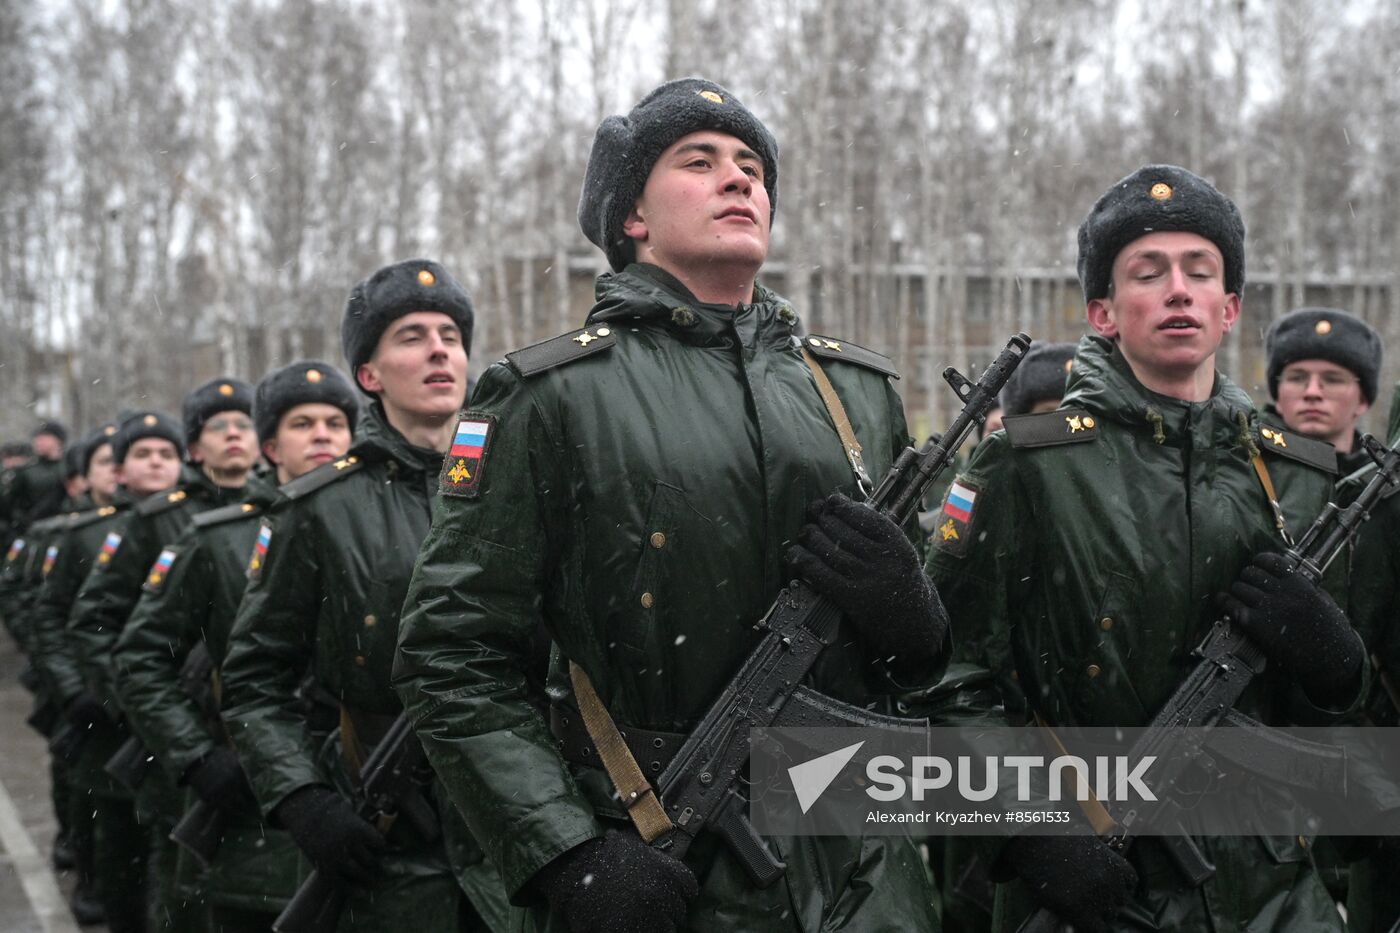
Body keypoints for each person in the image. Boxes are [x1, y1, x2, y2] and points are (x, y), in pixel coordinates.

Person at [393, 77, 946, 933]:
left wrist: (916, 623)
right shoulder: (549, 395)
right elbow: (452, 652)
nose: (740, 181)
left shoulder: (852, 390)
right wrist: (563, 852)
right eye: (700, 162)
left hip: (864, 870)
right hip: (652, 856)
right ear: (632, 217)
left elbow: (945, 659)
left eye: (753, 167)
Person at [926, 165, 1358, 932]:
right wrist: (1033, 829)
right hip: (1093, 881)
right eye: (1147, 272)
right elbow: (949, 677)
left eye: (1201, 271)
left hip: (1273, 890)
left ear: (1229, 309)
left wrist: (1332, 671)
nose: (1178, 290)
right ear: (1103, 312)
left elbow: (1331, 730)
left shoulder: (1293, 474)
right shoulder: (1028, 462)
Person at [220, 261, 512, 932]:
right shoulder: (318, 509)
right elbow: (256, 678)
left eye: (451, 334)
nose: (440, 348)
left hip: (515, 850)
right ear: (370, 376)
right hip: (392, 855)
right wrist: (302, 797)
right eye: (412, 335)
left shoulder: (514, 482)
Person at [115, 362, 360, 931]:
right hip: (254, 781)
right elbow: (139, 659)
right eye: (303, 423)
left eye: (334, 422)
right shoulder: (216, 539)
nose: (322, 434)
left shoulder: (380, 521)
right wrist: (197, 755)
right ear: (270, 446)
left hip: (361, 781)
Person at [70, 382, 261, 933]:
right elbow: (97, 623)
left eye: (243, 425)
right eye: (217, 427)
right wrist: (138, 706)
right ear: (196, 448)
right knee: (179, 877)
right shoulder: (156, 521)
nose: (233, 436)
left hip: (245, 725)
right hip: (178, 722)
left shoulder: (276, 506)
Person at [30, 412, 185, 932]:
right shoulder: (90, 536)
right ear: (119, 470)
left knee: (177, 860)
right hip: (113, 718)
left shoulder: (199, 524)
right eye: (143, 454)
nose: (157, 464)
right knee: (118, 843)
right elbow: (54, 618)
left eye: (167, 454)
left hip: (181, 718)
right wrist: (78, 691)